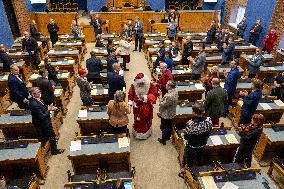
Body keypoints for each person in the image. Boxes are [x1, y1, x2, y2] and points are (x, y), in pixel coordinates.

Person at [29, 87, 64, 155]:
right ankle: (54, 151)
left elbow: (43, 107)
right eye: (38, 92)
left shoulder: (36, 99)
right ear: (33, 94)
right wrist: (49, 109)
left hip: (44, 121)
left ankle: (50, 147)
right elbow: (42, 116)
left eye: (39, 91)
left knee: (49, 136)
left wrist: (49, 108)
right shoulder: (34, 104)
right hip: (43, 123)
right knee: (51, 136)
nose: (40, 93)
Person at [128, 73, 158, 139]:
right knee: (137, 119)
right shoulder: (134, 85)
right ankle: (137, 132)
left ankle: (145, 133)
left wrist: (146, 97)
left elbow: (154, 95)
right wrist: (130, 103)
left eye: (142, 83)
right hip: (136, 107)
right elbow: (131, 94)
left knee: (146, 120)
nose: (140, 85)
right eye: (139, 84)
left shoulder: (151, 85)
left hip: (147, 107)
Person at [184, 103, 213, 167]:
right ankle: (200, 169)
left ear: (194, 112)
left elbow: (185, 137)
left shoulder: (190, 124)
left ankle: (189, 171)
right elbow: (209, 132)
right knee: (200, 158)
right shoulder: (209, 121)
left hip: (192, 146)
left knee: (189, 161)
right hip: (202, 144)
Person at [158, 80, 178, 145]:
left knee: (164, 127)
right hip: (172, 112)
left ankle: (163, 140)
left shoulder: (169, 96)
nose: (165, 85)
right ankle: (168, 137)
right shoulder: (175, 91)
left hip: (166, 114)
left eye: (166, 84)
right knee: (169, 125)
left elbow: (162, 104)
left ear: (169, 87)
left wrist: (160, 96)